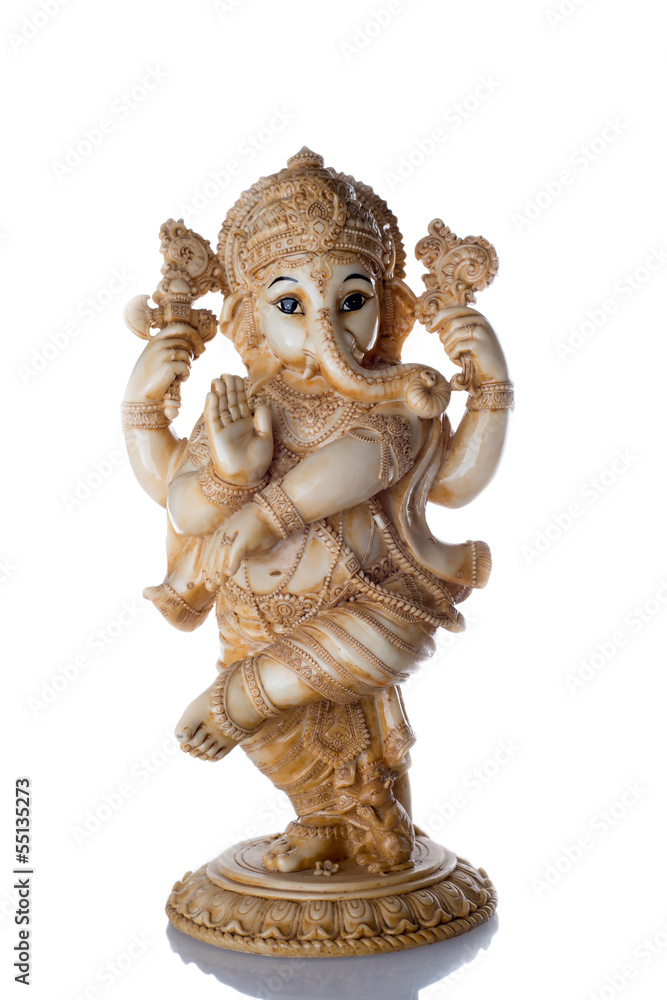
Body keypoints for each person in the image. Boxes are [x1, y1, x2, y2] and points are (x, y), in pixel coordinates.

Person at [121, 148, 512, 874]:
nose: (324, 326)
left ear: (385, 305)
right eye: (291, 305)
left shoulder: (396, 400)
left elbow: (438, 477)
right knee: (289, 739)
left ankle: (243, 702)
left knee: (367, 661)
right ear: (249, 315)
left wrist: (490, 386)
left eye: (352, 302)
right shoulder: (243, 404)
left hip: (374, 604)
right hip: (256, 616)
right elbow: (180, 501)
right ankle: (330, 823)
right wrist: (215, 460)